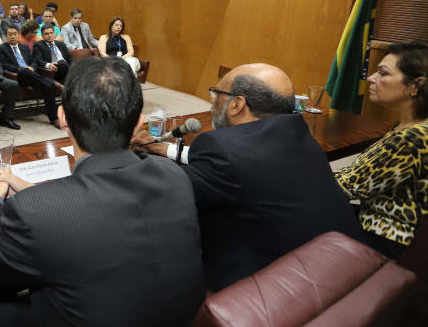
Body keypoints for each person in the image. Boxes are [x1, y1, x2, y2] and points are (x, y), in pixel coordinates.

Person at [0, 57, 204, 327]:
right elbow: (92, 207)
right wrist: (26, 188)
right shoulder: (176, 178)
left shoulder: (40, 212)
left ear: (62, 118)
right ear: (139, 121)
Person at [131, 63, 368, 291]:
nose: (213, 101)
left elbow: (166, 193)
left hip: (274, 294)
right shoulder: (297, 133)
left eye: (216, 94)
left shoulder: (221, 147)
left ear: (236, 105)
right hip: (344, 275)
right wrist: (162, 149)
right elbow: (241, 165)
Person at [333, 41, 428, 258]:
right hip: (378, 221)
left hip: (388, 240)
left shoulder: (412, 139)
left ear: (416, 85)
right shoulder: (410, 125)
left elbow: (343, 188)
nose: (371, 78)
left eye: (383, 73)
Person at [0, 25, 62, 129]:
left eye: (15, 34)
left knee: (46, 86)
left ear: (18, 35)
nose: (12, 36)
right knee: (24, 71)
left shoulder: (24, 47)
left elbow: (34, 61)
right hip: (17, 76)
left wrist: (32, 67)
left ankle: (54, 119)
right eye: (10, 34)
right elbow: (2, 64)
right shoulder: (1, 48)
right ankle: (54, 83)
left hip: (32, 75)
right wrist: (19, 69)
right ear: (5, 36)